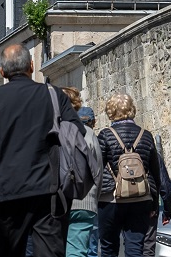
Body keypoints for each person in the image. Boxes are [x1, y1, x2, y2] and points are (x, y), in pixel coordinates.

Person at [0, 44, 82, 257]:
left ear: (2, 72)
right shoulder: (53, 95)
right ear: (32, 66)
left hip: (7, 191)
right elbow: (76, 134)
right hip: (47, 190)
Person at [95, 94, 171, 257]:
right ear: (132, 110)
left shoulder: (105, 135)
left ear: (110, 112)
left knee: (108, 248)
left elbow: (96, 169)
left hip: (111, 199)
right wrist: (153, 203)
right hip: (140, 199)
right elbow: (155, 173)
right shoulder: (146, 135)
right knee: (135, 248)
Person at [62, 92, 101, 257]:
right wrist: (93, 198)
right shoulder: (88, 133)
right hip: (84, 201)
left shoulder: (50, 130)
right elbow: (97, 171)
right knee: (77, 252)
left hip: (55, 200)